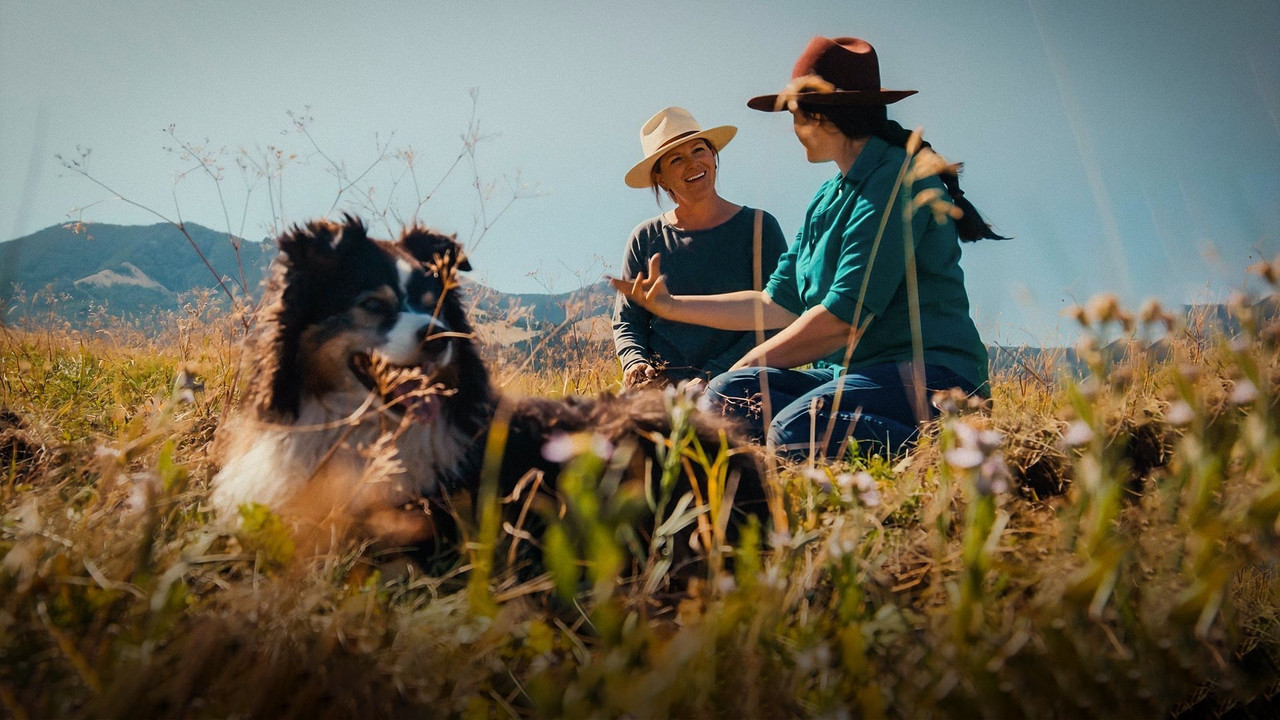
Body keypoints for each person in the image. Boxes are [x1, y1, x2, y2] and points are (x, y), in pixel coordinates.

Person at [611, 37, 1003, 459]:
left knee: (795, 426)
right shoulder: (826, 198)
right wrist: (671, 307)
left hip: (930, 377)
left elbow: (842, 321)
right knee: (729, 396)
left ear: (822, 115)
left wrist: (743, 364)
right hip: (849, 377)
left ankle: (953, 445)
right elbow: (775, 303)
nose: (792, 128)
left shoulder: (897, 181)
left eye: (795, 115)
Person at [613, 107, 787, 388]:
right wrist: (635, 362)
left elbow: (778, 317)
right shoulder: (645, 238)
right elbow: (628, 321)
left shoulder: (758, 227)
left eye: (698, 150)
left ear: (713, 156)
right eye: (676, 159)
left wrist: (714, 376)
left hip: (740, 383)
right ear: (661, 178)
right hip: (661, 386)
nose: (693, 163)